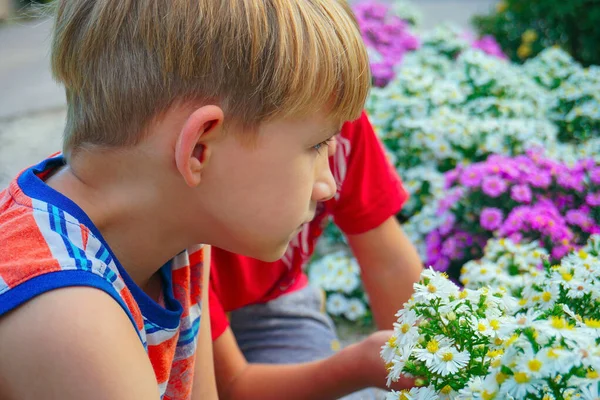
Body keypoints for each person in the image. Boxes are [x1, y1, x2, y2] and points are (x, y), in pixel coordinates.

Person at [0, 1, 371, 399]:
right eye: (315, 145)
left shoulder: (175, 236)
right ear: (199, 149)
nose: (328, 186)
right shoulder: (67, 315)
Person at [209, 112, 423, 399]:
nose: (329, 187)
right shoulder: (181, 243)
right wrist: (359, 366)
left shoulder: (333, 115)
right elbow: (230, 386)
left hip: (273, 296)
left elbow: (389, 264)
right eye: (316, 146)